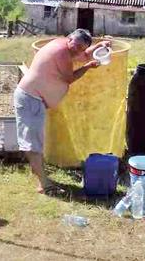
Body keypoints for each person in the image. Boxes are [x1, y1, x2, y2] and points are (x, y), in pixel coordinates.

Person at [14, 29, 110, 194]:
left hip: (34, 99)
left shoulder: (65, 46)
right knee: (32, 144)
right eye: (77, 46)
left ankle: (39, 175)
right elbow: (69, 78)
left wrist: (97, 46)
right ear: (69, 38)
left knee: (34, 141)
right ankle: (44, 185)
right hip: (30, 99)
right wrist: (87, 67)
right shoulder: (62, 52)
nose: (78, 50)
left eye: (81, 48)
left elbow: (82, 55)